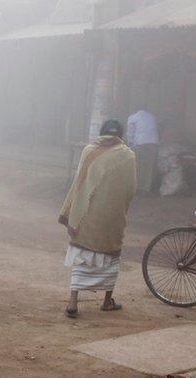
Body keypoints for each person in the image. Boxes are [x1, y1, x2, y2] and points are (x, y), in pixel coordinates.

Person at [59, 119, 137, 318]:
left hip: (86, 214)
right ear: (121, 135)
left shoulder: (89, 151)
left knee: (81, 256)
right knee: (111, 256)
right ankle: (106, 301)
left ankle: (73, 302)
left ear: (101, 132)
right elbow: (131, 188)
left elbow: (79, 183)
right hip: (112, 216)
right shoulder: (127, 155)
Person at [126, 106, 159, 194]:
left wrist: (130, 144)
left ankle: (137, 188)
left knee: (138, 166)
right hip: (153, 143)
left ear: (134, 110)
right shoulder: (152, 116)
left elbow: (130, 133)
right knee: (149, 167)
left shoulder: (132, 117)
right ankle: (146, 189)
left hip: (140, 143)